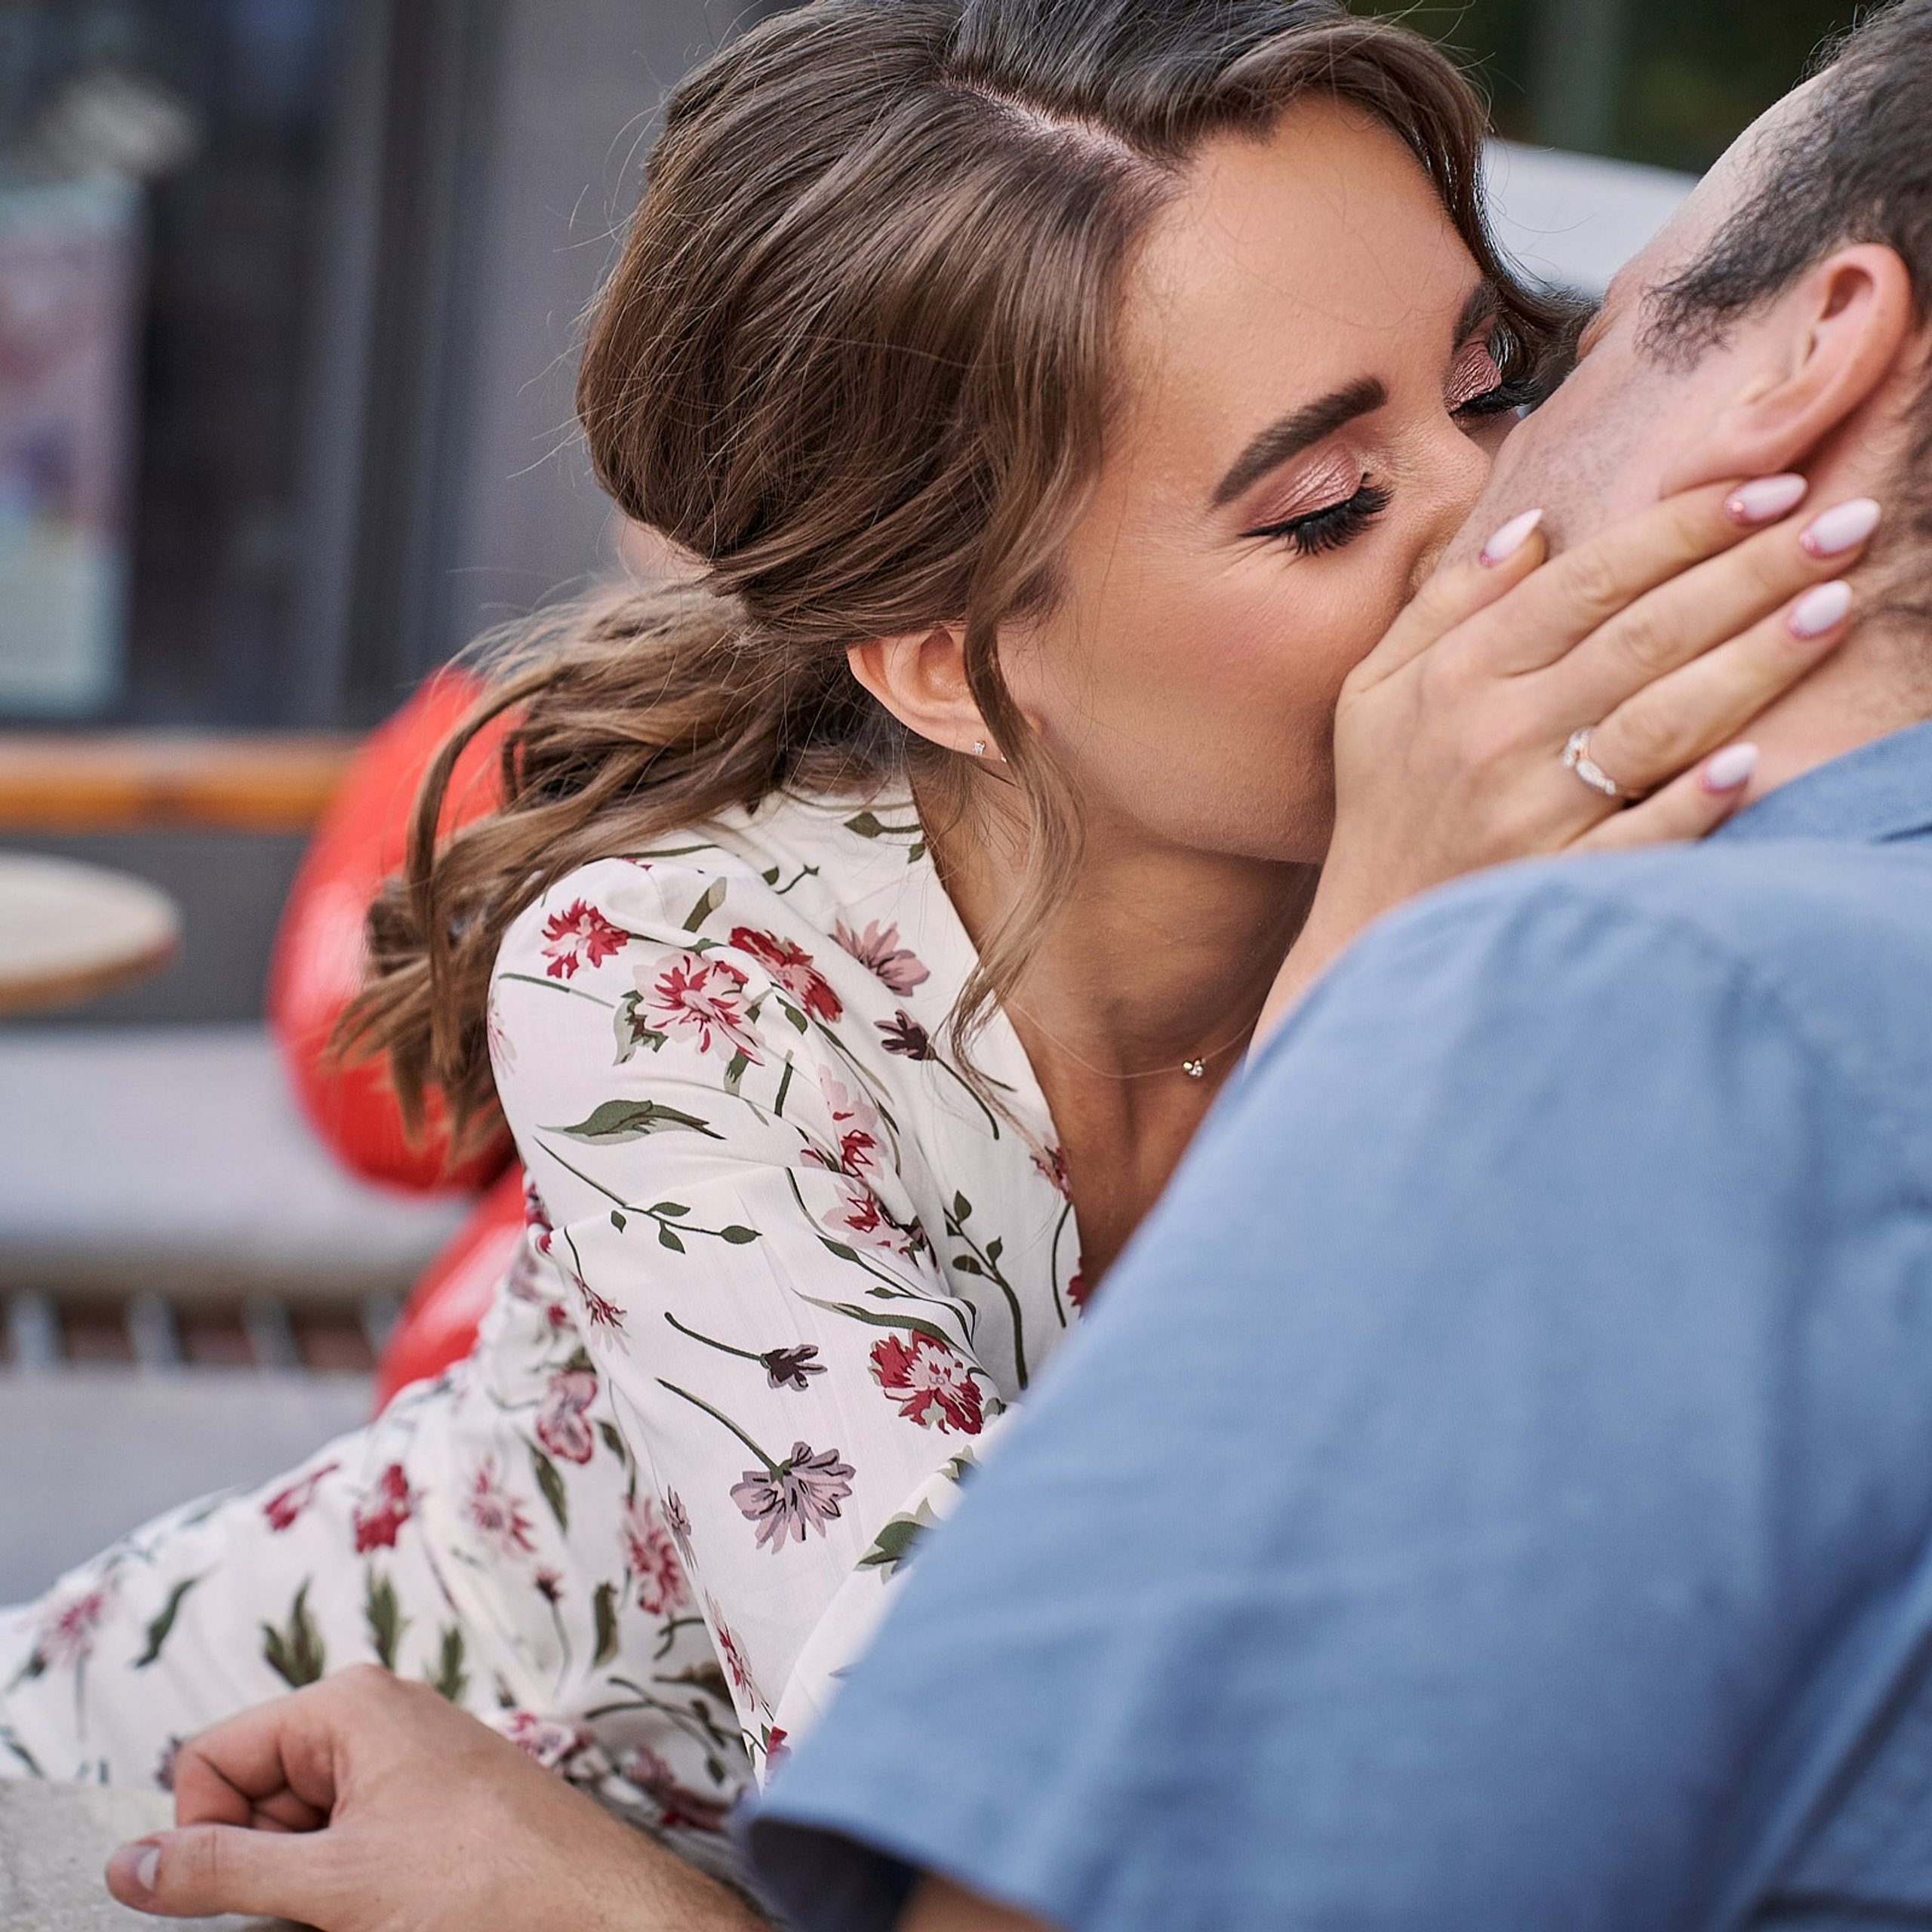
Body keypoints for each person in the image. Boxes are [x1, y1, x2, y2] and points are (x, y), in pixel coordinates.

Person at [4, 0, 1871, 1921]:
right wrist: (1369, 989)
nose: (1497, 528)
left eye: (1492, 386)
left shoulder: (1618, 909)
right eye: (1323, 508)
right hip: (178, 1798)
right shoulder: (679, 980)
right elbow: (996, 1799)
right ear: (945, 658)